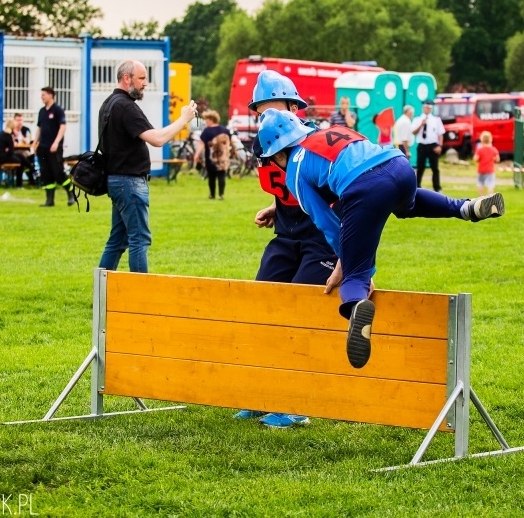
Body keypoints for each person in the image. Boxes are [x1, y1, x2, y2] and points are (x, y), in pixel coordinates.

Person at [257, 108, 505, 369]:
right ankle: (465, 208)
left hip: (363, 188)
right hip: (398, 166)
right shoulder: (334, 130)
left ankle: (356, 306)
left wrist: (351, 261)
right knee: (406, 205)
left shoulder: (293, 170)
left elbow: (325, 222)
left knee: (355, 275)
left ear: (278, 154)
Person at [235, 69, 338, 428]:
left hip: (320, 239)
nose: (264, 114)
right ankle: (264, 395)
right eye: (259, 108)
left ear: (294, 106)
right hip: (285, 234)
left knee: (299, 313)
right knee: (264, 307)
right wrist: (276, 207)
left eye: (271, 105)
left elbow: (332, 191)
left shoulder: (316, 142)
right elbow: (288, 185)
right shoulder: (263, 141)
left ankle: (297, 404)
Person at [98, 59, 197, 274]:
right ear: (127, 78)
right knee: (139, 239)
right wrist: (183, 120)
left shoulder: (108, 103)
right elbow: (157, 139)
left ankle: (101, 292)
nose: (146, 83)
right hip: (129, 183)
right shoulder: (126, 106)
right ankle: (140, 293)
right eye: (142, 78)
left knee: (117, 240)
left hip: (117, 181)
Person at [33, 86, 73, 206]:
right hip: (43, 147)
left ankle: (71, 195)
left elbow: (63, 127)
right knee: (45, 173)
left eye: (44, 95)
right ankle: (49, 200)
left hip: (54, 147)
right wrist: (35, 142)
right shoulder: (42, 111)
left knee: (58, 172)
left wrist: (56, 142)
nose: (42, 97)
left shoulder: (58, 110)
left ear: (51, 95)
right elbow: (39, 127)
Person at [193, 110, 230, 200]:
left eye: (206, 120)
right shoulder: (225, 130)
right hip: (223, 158)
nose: (205, 122)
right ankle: (221, 195)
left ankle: (212, 195)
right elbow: (230, 142)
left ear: (211, 119)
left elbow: (201, 144)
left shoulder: (207, 131)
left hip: (211, 158)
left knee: (211, 177)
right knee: (222, 176)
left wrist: (196, 155)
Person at [411, 100, 445, 192]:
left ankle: (437, 187)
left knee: (435, 168)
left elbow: (440, 134)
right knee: (420, 167)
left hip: (433, 145)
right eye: (426, 107)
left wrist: (440, 146)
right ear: (423, 108)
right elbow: (413, 132)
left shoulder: (436, 120)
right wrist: (421, 125)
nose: (427, 109)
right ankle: (417, 186)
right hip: (422, 145)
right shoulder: (417, 119)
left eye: (429, 108)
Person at [473, 130, 499, 195]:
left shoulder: (479, 149)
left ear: (481, 140)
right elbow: (497, 159)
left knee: (480, 183)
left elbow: (475, 159)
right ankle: (490, 198)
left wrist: (479, 160)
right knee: (490, 184)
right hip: (490, 170)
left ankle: (481, 198)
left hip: (481, 170)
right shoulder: (493, 149)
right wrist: (494, 160)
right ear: (491, 139)